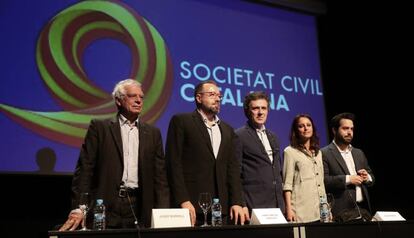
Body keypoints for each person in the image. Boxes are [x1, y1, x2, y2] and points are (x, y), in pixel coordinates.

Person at [59, 79, 169, 231]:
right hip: (105, 204)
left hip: (139, 205)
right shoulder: (100, 128)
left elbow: (160, 177)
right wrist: (80, 207)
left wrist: (163, 211)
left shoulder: (153, 133)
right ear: (118, 100)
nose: (138, 100)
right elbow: (85, 169)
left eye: (141, 97)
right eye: (132, 96)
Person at [165, 80, 247, 226]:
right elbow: (173, 163)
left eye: (219, 96)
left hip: (222, 210)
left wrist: (237, 202)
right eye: (212, 94)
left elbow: (233, 170)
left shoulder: (228, 130)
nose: (217, 99)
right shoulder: (182, 122)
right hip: (192, 207)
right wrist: (183, 199)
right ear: (198, 98)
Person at [234, 91, 285, 214]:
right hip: (254, 206)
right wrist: (242, 204)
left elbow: (278, 172)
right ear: (247, 111)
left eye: (264, 108)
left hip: (278, 206)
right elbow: (236, 174)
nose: (260, 112)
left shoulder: (273, 137)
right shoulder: (239, 136)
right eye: (256, 108)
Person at [322, 112, 374, 220]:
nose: (349, 132)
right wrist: (348, 179)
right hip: (341, 213)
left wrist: (367, 177)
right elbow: (324, 180)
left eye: (352, 129)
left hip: (364, 210)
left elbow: (372, 178)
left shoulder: (358, 153)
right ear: (334, 130)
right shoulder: (324, 153)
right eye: (345, 128)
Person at [283, 114, 326, 222]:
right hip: (301, 212)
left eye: (308, 125)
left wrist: (326, 208)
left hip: (320, 212)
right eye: (301, 126)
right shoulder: (290, 152)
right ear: (296, 130)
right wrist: (289, 209)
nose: (306, 128)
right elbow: (287, 184)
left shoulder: (318, 153)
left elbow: (321, 183)